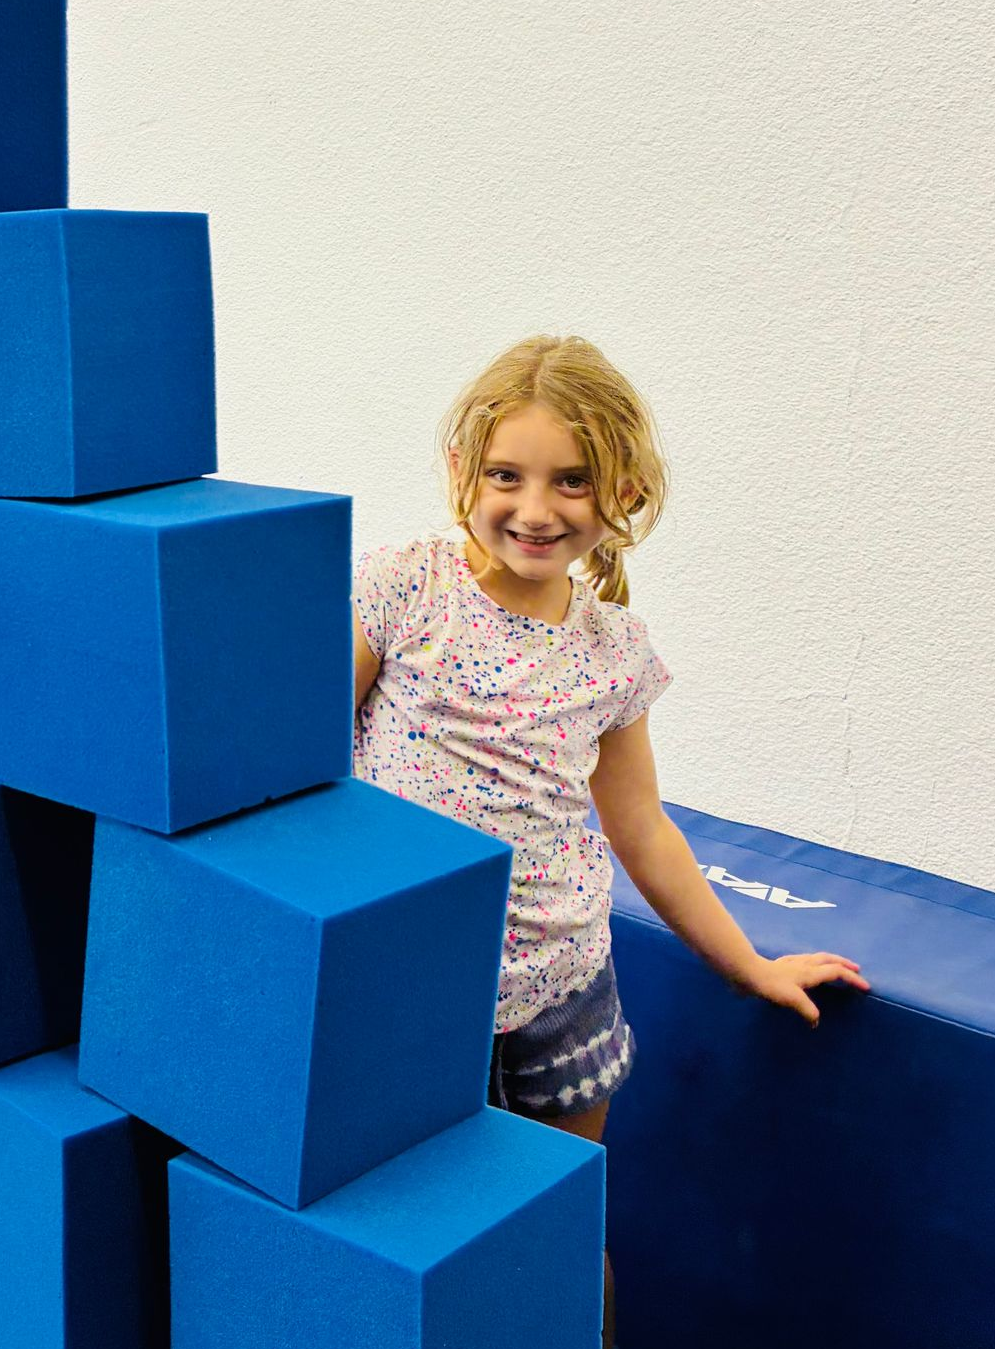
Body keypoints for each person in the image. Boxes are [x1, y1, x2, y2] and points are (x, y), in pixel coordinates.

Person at [351, 334, 869, 1348]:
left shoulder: (611, 648)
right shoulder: (405, 588)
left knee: (562, 1221)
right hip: (410, 979)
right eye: (507, 474)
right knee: (409, 1228)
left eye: (571, 481)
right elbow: (302, 757)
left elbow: (639, 824)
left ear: (619, 490)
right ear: (463, 472)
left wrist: (746, 963)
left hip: (561, 979)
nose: (535, 508)